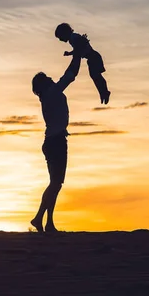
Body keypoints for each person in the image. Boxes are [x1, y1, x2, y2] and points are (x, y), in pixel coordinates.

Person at [30, 51, 82, 233]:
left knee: (56, 184)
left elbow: (68, 77)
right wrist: (78, 55)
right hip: (55, 142)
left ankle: (48, 222)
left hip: (54, 141)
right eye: (46, 78)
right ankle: (39, 218)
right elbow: (69, 76)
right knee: (55, 183)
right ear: (43, 86)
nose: (51, 78)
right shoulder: (51, 93)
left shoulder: (49, 94)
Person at [55, 22, 111, 105]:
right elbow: (78, 49)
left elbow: (79, 47)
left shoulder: (73, 37)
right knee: (95, 76)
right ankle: (103, 92)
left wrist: (81, 44)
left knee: (96, 76)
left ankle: (104, 92)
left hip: (94, 57)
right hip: (92, 59)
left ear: (64, 33)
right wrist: (70, 53)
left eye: (60, 37)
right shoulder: (73, 39)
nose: (60, 40)